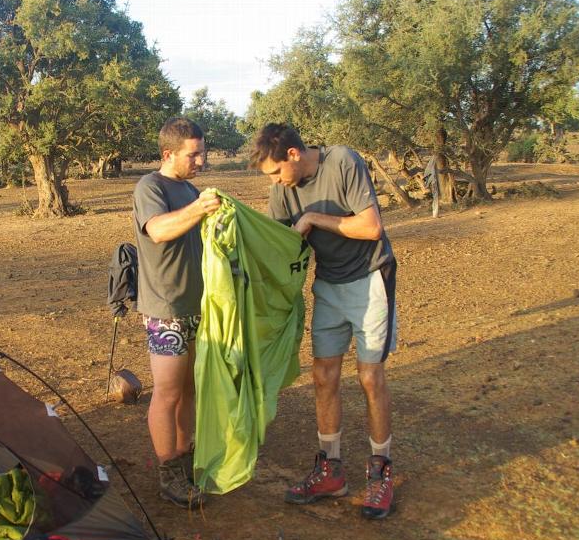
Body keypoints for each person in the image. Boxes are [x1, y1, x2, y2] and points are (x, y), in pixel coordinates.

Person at [247, 123, 398, 519]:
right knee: (323, 375)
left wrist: (314, 217)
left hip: (369, 279)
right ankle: (330, 470)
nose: (275, 183)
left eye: (276, 172)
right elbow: (283, 242)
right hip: (328, 283)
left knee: (370, 377)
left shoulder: (343, 161)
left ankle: (381, 472)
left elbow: (370, 227)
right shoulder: (283, 189)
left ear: (293, 155)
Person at [132, 117, 221, 508]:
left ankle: (186, 457)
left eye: (203, 152)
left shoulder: (190, 189)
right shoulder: (151, 187)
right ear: (169, 153)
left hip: (198, 305)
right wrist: (199, 210)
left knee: (191, 389)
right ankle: (168, 471)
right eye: (194, 154)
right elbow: (158, 230)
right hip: (166, 308)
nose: (201, 160)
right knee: (167, 392)